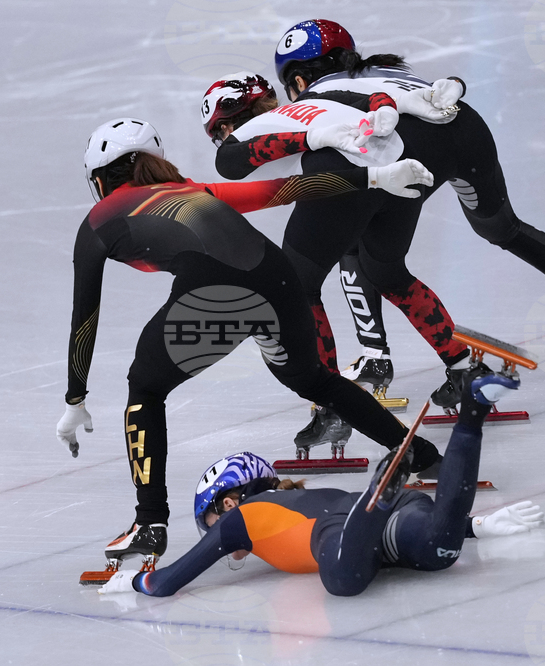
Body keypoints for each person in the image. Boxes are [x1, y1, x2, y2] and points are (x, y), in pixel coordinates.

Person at [57, 117, 444, 570]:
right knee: (314, 380)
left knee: (146, 386)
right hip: (277, 279)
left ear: (100, 179)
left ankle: (149, 523)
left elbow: (85, 317)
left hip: (218, 294)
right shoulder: (190, 191)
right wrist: (374, 177)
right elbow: (279, 191)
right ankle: (420, 455)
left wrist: (75, 398)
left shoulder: (99, 221)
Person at [270, 18, 545, 405]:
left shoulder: (314, 99)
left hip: (395, 148)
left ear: (299, 80)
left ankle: (356, 378)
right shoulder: (381, 68)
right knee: (502, 228)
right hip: (461, 128)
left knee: (351, 259)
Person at [201, 70, 472, 458]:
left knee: (298, 288)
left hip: (344, 181)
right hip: (399, 169)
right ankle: (464, 370)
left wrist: (313, 140)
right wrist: (392, 106)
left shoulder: (250, 131)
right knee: (389, 274)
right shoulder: (318, 99)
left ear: (229, 122)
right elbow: (376, 97)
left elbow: (229, 162)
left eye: (220, 129)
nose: (222, 136)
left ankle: (332, 410)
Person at [98, 366, 544, 597]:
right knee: (440, 550)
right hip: (396, 516)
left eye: (208, 519)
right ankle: (472, 410)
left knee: (343, 581)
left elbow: (166, 582)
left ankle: (377, 496)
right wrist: (475, 527)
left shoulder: (240, 521)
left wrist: (135, 582)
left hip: (345, 537)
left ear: (228, 503)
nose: (211, 530)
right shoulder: (311, 496)